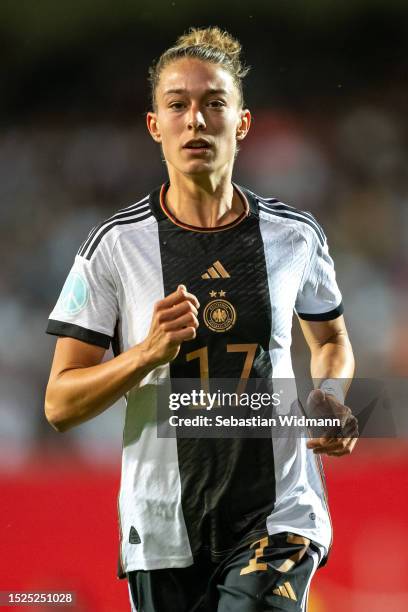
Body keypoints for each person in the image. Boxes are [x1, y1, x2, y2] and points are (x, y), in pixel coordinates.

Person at [45, 26, 357, 612]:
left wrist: (330, 392)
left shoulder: (294, 236)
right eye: (178, 105)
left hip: (280, 512)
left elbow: (332, 337)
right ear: (154, 125)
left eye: (214, 103)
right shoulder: (114, 247)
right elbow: (59, 405)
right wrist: (143, 354)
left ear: (241, 123)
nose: (196, 119)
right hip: (163, 527)